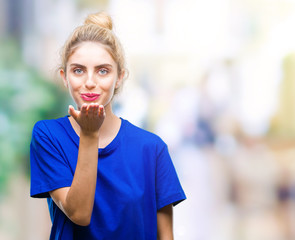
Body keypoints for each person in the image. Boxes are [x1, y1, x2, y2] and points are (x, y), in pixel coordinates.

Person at [29, 12, 186, 240]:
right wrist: (90, 134)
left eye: (103, 70)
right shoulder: (48, 136)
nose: (90, 82)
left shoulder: (152, 149)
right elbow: (79, 214)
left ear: (120, 76)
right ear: (64, 77)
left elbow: (165, 236)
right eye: (78, 70)